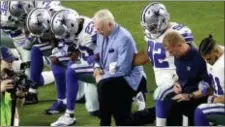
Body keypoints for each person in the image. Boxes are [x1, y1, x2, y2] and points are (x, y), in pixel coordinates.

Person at [133, 2, 194, 126]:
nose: (149, 29)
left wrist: (183, 80)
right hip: (165, 88)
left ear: (163, 21)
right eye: (147, 26)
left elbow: (193, 58)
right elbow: (148, 54)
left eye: (152, 26)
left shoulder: (178, 33)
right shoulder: (151, 36)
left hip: (177, 84)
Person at [93, 9, 147, 126]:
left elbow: (124, 69)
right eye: (96, 28)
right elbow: (97, 54)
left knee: (104, 87)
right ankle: (105, 122)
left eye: (100, 28)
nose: (97, 31)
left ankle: (152, 114)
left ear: (110, 25)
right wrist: (97, 68)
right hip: (111, 77)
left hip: (130, 78)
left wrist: (102, 78)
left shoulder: (124, 38)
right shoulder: (101, 34)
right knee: (122, 117)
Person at [1, 1, 58, 104]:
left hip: (39, 28)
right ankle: (53, 73)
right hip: (14, 35)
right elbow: (23, 43)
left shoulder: (35, 4)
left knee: (29, 70)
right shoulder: (6, 19)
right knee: (28, 74)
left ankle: (54, 69)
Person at [162, 31, 212, 125]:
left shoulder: (199, 59)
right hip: (184, 96)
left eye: (171, 51)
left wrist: (189, 96)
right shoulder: (178, 55)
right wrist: (177, 83)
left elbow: (209, 88)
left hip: (198, 99)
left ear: (180, 45)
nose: (169, 54)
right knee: (167, 103)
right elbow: (181, 76)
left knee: (172, 107)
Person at [194, 35, 225, 126]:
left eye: (208, 59)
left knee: (201, 112)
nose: (207, 62)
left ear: (216, 51)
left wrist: (214, 100)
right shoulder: (217, 54)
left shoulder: (221, 65)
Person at [0, 46, 26, 126]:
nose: (11, 64)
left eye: (12, 61)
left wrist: (20, 96)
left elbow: (17, 106)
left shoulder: (10, 78)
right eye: (8, 61)